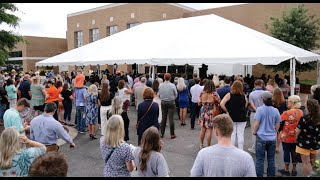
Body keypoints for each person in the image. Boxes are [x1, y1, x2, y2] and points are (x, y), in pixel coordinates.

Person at [190, 114, 256, 177]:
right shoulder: (246, 158)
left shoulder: (203, 153)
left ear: (215, 132)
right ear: (232, 130)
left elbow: (194, 175)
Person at [252, 91, 281, 177]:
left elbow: (256, 124)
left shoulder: (259, 109)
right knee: (271, 159)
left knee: (260, 159)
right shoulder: (275, 110)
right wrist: (275, 131)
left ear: (263, 99)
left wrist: (254, 132)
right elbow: (277, 124)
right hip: (272, 138)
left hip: (261, 137)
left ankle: (259, 175)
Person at [276, 95, 303, 176]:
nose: (288, 102)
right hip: (296, 136)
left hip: (286, 136)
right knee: (294, 152)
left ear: (292, 103)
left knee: (286, 152)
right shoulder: (301, 112)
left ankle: (286, 169)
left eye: (289, 101)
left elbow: (279, 121)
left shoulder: (286, 113)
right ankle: (294, 169)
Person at [220, 80, 248, 150]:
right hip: (242, 117)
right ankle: (241, 149)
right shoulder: (244, 96)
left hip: (232, 116)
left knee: (232, 134)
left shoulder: (229, 95)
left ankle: (232, 149)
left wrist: (227, 111)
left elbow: (221, 104)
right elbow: (246, 104)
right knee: (240, 134)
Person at [295, 99, 320, 177]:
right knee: (314, 161)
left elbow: (297, 131)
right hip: (316, 143)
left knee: (306, 163)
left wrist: (295, 138)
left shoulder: (304, 118)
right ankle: (317, 174)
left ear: (308, 107)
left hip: (303, 144)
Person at [198, 80, 220, 149]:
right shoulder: (214, 94)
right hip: (210, 112)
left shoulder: (202, 93)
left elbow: (199, 103)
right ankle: (208, 146)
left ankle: (201, 145)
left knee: (202, 129)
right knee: (209, 130)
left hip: (202, 111)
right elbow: (219, 102)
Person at [248, 79, 265, 154]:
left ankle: (255, 147)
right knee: (263, 129)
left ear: (255, 85)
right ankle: (263, 147)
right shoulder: (265, 93)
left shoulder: (251, 94)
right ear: (262, 85)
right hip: (264, 113)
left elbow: (251, 104)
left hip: (255, 113)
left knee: (254, 130)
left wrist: (257, 110)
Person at [158, 73, 177, 139]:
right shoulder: (172, 85)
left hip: (163, 102)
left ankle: (162, 134)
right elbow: (176, 94)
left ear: (164, 77)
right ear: (170, 78)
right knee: (171, 119)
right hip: (171, 102)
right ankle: (172, 134)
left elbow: (159, 94)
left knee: (164, 118)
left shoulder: (160, 85)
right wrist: (173, 98)